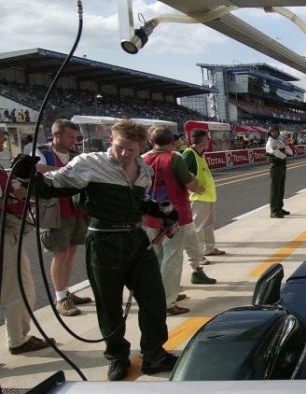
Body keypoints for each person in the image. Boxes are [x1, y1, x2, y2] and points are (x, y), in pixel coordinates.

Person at [18, 119, 178, 380]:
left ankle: (154, 355)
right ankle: (117, 357)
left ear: (140, 148)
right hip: (104, 242)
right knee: (109, 305)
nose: (124, 154)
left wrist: (162, 212)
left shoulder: (143, 169)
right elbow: (51, 186)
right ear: (110, 142)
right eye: (120, 147)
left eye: (131, 150)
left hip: (137, 240)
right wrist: (28, 176)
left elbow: (142, 201)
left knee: (154, 300)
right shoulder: (90, 163)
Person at [142, 125, 214, 316]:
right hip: (173, 217)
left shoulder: (143, 159)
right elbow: (191, 184)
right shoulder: (175, 158)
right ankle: (168, 301)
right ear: (172, 142)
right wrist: (196, 185)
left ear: (151, 141)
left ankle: (161, 294)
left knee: (157, 258)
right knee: (172, 259)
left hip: (150, 216)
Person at [1, 125, 51, 355]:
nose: (3, 138)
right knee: (19, 287)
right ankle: (18, 339)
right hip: (5, 234)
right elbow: (11, 195)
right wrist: (19, 183)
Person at [35, 119, 91, 317]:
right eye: (69, 137)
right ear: (56, 135)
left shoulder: (75, 154)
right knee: (60, 252)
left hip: (75, 208)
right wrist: (65, 173)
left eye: (75, 137)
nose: (73, 141)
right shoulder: (42, 151)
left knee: (71, 250)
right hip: (54, 209)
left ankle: (66, 291)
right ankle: (60, 298)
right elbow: (38, 169)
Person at [182, 129, 225, 257]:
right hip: (198, 197)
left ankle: (210, 248)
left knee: (208, 225)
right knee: (198, 227)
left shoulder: (200, 154)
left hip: (208, 197)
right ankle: (198, 255)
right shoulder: (189, 153)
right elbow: (182, 172)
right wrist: (193, 184)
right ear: (201, 140)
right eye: (207, 139)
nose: (209, 141)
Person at [265, 125, 293, 218]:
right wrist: (285, 153)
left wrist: (287, 150)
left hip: (282, 166)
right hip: (275, 167)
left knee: (281, 189)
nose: (275, 133)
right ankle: (273, 210)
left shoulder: (280, 141)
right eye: (273, 131)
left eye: (276, 131)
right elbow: (278, 154)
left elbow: (289, 151)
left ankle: (279, 208)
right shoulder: (270, 142)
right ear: (270, 132)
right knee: (275, 190)